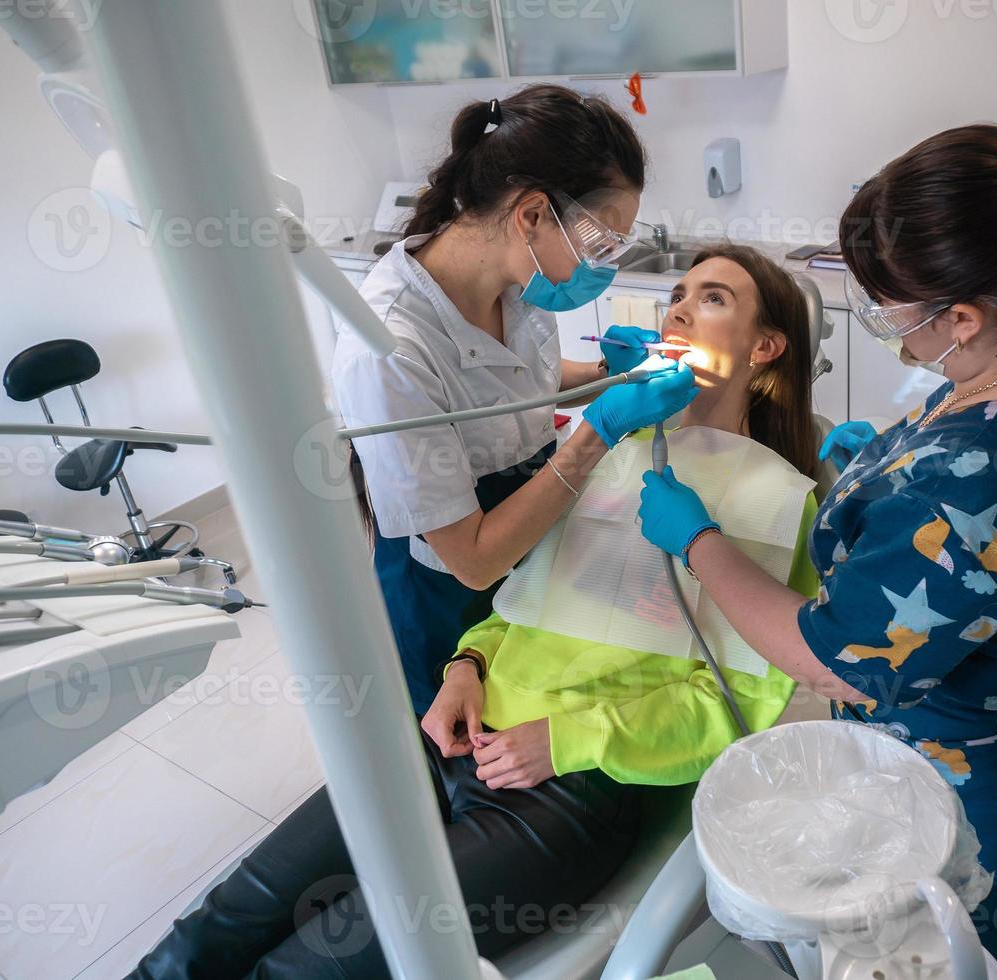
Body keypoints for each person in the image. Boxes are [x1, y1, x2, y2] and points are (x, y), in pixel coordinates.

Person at [129, 245, 823, 978]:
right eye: (676, 293)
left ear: (766, 347)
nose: (676, 308)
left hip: (568, 789)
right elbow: (522, 600)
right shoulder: (612, 457)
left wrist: (566, 740)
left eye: (711, 298)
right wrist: (467, 665)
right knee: (231, 915)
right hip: (454, 736)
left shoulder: (780, 501)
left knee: (310, 964)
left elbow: (732, 701)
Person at [636, 125, 997, 980]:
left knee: (993, 954)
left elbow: (836, 662)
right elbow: (991, 548)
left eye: (888, 308)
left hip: (991, 808)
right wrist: (869, 468)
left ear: (963, 318)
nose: (884, 324)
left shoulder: (966, 490)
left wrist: (699, 542)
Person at [333, 84, 698, 715]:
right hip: (450, 585)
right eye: (600, 244)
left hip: (531, 542)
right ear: (531, 215)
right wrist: (598, 432)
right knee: (470, 759)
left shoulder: (515, 276)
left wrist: (607, 372)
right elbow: (473, 560)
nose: (603, 266)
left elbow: (504, 383)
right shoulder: (388, 350)